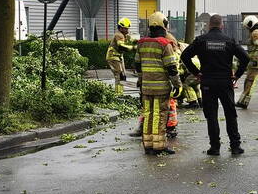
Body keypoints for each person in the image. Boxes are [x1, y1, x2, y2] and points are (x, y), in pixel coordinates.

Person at [181, 14, 250, 155]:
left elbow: (184, 56)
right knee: (230, 114)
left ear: (208, 25)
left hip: (207, 83)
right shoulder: (229, 41)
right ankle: (235, 146)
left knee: (211, 115)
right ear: (222, 25)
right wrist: (236, 75)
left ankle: (215, 147)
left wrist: (196, 72)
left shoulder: (201, 40)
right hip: (225, 82)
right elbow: (245, 57)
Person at [135, 11, 182, 155]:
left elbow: (137, 66)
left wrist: (141, 81)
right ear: (164, 25)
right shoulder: (164, 44)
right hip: (161, 88)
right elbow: (171, 68)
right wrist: (178, 85)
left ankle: (148, 145)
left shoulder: (141, 44)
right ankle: (159, 146)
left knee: (148, 114)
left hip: (146, 88)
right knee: (160, 115)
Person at [105, 17, 135, 95]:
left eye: (127, 29)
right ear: (120, 28)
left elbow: (132, 41)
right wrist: (133, 48)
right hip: (113, 56)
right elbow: (121, 46)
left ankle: (120, 92)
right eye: (125, 29)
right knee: (119, 75)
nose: (127, 30)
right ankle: (118, 94)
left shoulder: (125, 35)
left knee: (123, 75)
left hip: (119, 57)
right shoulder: (118, 35)